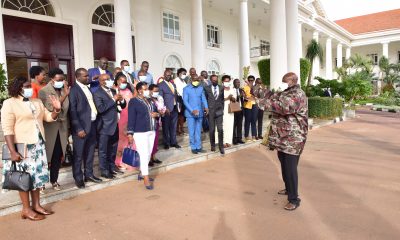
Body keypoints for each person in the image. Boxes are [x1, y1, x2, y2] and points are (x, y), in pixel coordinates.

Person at [1, 76, 61, 221]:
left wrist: (57, 110)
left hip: (38, 146)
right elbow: (7, 129)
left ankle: (37, 205)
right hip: (22, 148)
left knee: (37, 177)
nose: (30, 89)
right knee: (24, 178)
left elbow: (47, 117)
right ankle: (26, 209)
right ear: (18, 87)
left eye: (30, 86)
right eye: (27, 86)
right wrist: (13, 151)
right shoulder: (10, 103)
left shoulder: (37, 102)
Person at [258, 72, 308, 211]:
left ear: (292, 81)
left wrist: (260, 102)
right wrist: (258, 88)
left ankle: (294, 199)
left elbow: (284, 107)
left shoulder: (297, 94)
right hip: (283, 137)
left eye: (286, 82)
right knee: (284, 163)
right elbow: (273, 96)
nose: (284, 84)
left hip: (294, 138)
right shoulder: (287, 92)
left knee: (290, 168)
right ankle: (288, 188)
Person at [69, 68, 102, 188]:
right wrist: (78, 129)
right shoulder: (74, 90)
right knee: (78, 155)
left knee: (90, 152)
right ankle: (78, 178)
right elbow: (72, 111)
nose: (88, 78)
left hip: (92, 126)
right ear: (78, 77)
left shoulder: (87, 88)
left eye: (88, 76)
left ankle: (89, 174)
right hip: (81, 128)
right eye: (85, 76)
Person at [38, 68, 70, 192]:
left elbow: (67, 111)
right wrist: (64, 95)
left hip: (62, 129)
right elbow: (51, 109)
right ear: (51, 79)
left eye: (63, 79)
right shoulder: (44, 91)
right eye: (58, 80)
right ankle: (41, 183)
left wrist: (68, 129)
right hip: (49, 129)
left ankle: (54, 180)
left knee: (57, 156)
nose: (61, 82)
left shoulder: (64, 89)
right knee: (46, 156)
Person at [127, 82, 160, 190]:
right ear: (140, 90)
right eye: (145, 89)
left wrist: (157, 114)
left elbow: (156, 112)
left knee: (148, 153)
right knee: (144, 154)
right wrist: (130, 133)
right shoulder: (134, 101)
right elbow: (131, 118)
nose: (148, 91)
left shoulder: (150, 100)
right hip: (140, 131)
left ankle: (142, 172)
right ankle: (146, 177)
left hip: (152, 130)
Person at [93, 74, 126, 179]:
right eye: (106, 79)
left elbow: (122, 105)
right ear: (101, 82)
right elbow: (101, 109)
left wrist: (121, 100)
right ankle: (104, 170)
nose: (109, 81)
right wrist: (113, 99)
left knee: (113, 149)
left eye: (109, 79)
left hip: (115, 124)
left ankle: (112, 167)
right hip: (104, 126)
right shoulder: (97, 93)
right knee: (103, 150)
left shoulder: (112, 91)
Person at [113, 72, 135, 171]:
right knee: (122, 140)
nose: (124, 83)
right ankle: (119, 161)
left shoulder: (128, 90)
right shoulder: (114, 90)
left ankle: (128, 161)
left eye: (125, 82)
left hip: (130, 117)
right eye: (122, 82)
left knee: (129, 139)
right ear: (117, 81)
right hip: (120, 118)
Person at [183, 76, 209, 154]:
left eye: (198, 80)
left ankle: (198, 147)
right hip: (190, 114)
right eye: (195, 80)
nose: (196, 81)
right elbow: (185, 101)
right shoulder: (186, 89)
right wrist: (192, 110)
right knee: (192, 131)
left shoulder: (200, 88)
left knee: (198, 131)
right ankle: (193, 147)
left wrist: (206, 107)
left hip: (200, 113)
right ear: (191, 80)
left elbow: (203, 98)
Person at [158, 69, 181, 149]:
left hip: (174, 108)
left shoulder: (173, 84)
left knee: (174, 126)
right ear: (164, 75)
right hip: (166, 109)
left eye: (170, 75)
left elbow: (175, 96)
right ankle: (166, 143)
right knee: (166, 127)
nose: (169, 76)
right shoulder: (160, 85)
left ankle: (173, 142)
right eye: (167, 75)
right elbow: (160, 98)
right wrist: (164, 108)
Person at [204, 75, 225, 154]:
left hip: (219, 111)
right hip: (211, 112)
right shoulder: (207, 88)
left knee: (220, 129)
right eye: (213, 80)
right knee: (212, 130)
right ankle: (212, 145)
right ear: (211, 80)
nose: (215, 82)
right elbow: (205, 99)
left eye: (216, 80)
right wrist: (206, 109)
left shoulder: (221, 87)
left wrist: (222, 108)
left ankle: (221, 146)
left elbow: (222, 99)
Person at [149, 84, 166, 166]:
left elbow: (162, 107)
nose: (156, 92)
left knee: (155, 141)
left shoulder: (159, 98)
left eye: (157, 91)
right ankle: (149, 159)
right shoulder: (148, 99)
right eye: (155, 91)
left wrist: (162, 112)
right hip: (149, 123)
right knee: (150, 142)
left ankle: (154, 157)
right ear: (150, 90)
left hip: (157, 121)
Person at [218, 75, 236, 147]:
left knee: (230, 125)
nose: (227, 82)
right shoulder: (220, 89)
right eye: (225, 81)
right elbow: (218, 100)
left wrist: (232, 98)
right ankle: (223, 142)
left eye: (228, 81)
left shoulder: (232, 89)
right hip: (222, 109)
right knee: (223, 125)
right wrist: (227, 98)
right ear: (222, 81)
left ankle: (228, 141)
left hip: (230, 109)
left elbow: (235, 99)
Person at [243, 75, 258, 142]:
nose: (251, 81)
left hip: (254, 105)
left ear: (254, 81)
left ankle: (254, 135)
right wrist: (249, 97)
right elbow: (245, 97)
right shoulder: (245, 87)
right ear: (248, 81)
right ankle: (246, 136)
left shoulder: (256, 87)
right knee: (247, 121)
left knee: (254, 120)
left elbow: (257, 95)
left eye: (252, 80)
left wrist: (252, 97)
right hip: (247, 106)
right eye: (249, 80)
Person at [174, 68, 187, 135]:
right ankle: (178, 129)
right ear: (179, 74)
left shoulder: (184, 81)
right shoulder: (176, 80)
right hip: (179, 99)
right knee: (179, 115)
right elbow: (178, 90)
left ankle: (181, 129)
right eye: (183, 73)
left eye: (185, 74)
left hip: (184, 99)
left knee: (182, 115)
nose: (184, 75)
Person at [232, 79, 245, 145]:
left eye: (239, 82)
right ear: (233, 83)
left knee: (240, 125)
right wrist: (239, 96)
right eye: (237, 82)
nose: (238, 83)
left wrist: (244, 97)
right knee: (234, 125)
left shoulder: (241, 90)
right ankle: (234, 139)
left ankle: (239, 138)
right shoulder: (232, 90)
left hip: (241, 109)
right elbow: (232, 99)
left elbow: (244, 100)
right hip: (234, 109)